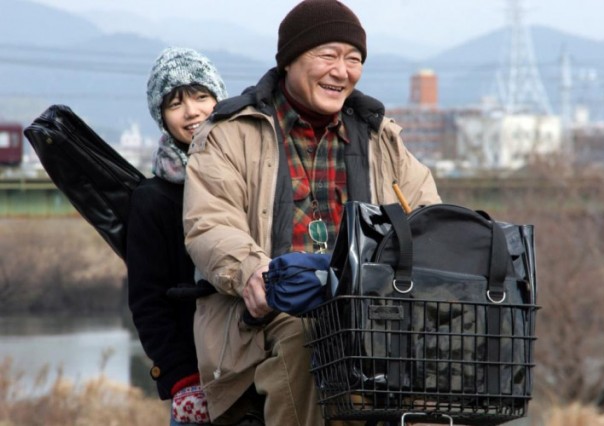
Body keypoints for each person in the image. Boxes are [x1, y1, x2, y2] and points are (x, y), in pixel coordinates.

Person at [182, 1, 441, 425]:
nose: (342, 71)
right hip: (262, 318)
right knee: (305, 334)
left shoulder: (381, 138)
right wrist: (251, 271)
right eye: (328, 55)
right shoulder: (231, 133)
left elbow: (428, 215)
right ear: (289, 60)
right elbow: (209, 224)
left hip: (368, 312)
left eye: (353, 59)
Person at [126, 47, 262, 426]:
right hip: (200, 379)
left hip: (265, 364)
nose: (192, 112)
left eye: (201, 96)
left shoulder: (252, 174)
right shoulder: (153, 200)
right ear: (161, 116)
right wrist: (181, 380)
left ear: (219, 97)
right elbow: (148, 301)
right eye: (175, 102)